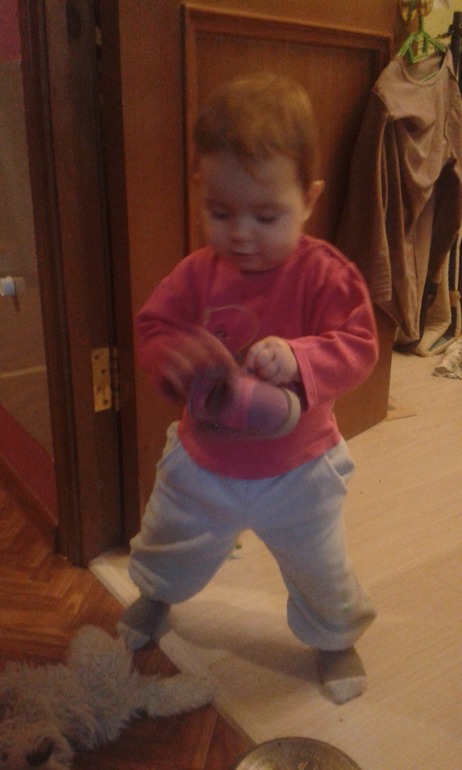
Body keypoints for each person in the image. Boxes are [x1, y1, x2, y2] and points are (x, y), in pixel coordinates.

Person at [118, 73, 378, 704]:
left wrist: (299, 357)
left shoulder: (325, 275)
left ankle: (334, 635)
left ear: (308, 199)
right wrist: (172, 359)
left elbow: (360, 345)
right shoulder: (196, 274)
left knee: (321, 566)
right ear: (200, 190)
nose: (240, 233)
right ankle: (156, 595)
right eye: (220, 212)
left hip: (299, 468)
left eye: (266, 215)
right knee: (168, 538)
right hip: (203, 461)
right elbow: (153, 326)